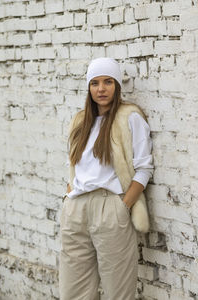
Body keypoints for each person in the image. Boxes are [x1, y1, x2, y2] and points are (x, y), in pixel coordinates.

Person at [59, 57, 154, 300]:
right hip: (76, 209)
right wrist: (69, 196)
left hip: (110, 208)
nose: (101, 89)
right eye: (95, 83)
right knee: (73, 292)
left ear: (117, 86)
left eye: (108, 82)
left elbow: (144, 168)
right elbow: (74, 167)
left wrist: (124, 206)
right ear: (89, 88)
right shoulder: (81, 121)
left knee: (118, 292)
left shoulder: (129, 117)